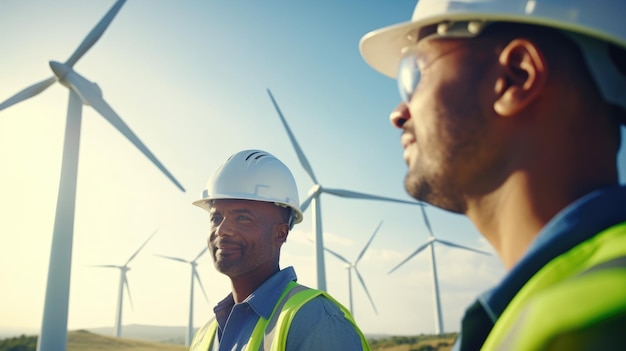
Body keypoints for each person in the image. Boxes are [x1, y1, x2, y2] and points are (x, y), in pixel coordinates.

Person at [359, 0, 626, 350]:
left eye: (415, 73)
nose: (398, 113)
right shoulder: (530, 311)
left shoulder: (596, 325)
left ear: (516, 76)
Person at [189, 149, 370, 350]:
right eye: (216, 218)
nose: (222, 230)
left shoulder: (316, 323)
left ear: (281, 233)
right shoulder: (204, 336)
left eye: (242, 218)